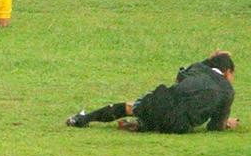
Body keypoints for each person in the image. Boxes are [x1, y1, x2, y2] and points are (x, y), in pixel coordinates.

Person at [66, 51, 238, 133]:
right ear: (228, 72)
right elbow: (214, 127)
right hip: (180, 126)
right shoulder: (228, 92)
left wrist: (207, 60)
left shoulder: (198, 68)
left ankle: (81, 119)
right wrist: (227, 123)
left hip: (159, 104)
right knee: (171, 119)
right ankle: (142, 125)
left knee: (130, 106)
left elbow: (179, 78)